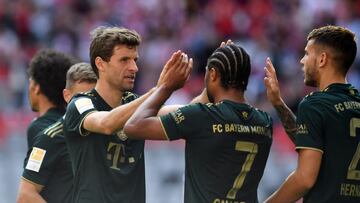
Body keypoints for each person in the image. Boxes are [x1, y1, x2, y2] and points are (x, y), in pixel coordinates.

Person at [124, 44, 273, 203]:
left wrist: (166, 87)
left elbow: (133, 127)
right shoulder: (265, 122)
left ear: (213, 74)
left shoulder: (201, 116)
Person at [63, 26, 191, 203]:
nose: (134, 67)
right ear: (100, 64)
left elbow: (182, 112)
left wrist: (213, 89)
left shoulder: (135, 103)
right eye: (124, 60)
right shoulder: (81, 103)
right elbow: (106, 124)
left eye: (135, 60)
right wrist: (160, 89)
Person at [264, 25, 360, 202]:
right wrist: (278, 104)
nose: (302, 60)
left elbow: (304, 179)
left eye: (307, 53)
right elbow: (312, 141)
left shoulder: (315, 104)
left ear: (322, 59)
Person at [17, 63, 97, 203]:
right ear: (66, 96)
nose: (85, 107)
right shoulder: (48, 135)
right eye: (80, 99)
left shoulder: (106, 134)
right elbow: (25, 196)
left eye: (92, 100)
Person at [25, 49, 76, 150]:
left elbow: (35, 166)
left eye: (30, 81)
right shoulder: (74, 121)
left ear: (36, 87)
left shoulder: (38, 127)